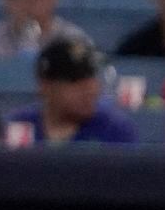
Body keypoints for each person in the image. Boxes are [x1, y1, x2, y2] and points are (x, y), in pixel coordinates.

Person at [9, 34, 138, 145]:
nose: (90, 90)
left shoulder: (114, 129)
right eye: (75, 80)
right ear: (46, 86)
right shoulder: (21, 125)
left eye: (91, 77)